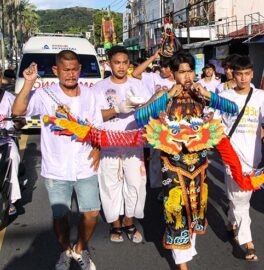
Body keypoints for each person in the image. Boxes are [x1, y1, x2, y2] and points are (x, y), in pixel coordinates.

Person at [134, 51, 238, 270]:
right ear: (173, 73)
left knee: (196, 208)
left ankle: (188, 249)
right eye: (182, 72)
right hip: (172, 164)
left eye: (190, 71)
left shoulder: (201, 94)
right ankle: (183, 263)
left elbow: (233, 109)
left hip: (199, 164)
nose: (187, 76)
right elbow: (140, 118)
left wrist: (210, 97)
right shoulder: (163, 93)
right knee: (176, 211)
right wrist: (167, 96)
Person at [12, 50, 101, 270]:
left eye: (74, 70)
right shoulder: (45, 95)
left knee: (91, 213)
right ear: (56, 71)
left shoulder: (92, 95)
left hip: (85, 165)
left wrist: (98, 148)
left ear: (79, 69)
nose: (70, 75)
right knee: (60, 216)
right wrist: (29, 82)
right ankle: (65, 251)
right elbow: (17, 111)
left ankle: (80, 249)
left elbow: (97, 126)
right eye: (65, 70)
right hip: (56, 169)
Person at [90, 45, 151, 243]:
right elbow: (94, 117)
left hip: (134, 142)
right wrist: (117, 109)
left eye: (125, 62)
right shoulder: (99, 88)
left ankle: (129, 221)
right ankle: (115, 224)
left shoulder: (138, 85)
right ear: (109, 64)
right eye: (117, 62)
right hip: (109, 142)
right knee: (110, 185)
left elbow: (150, 110)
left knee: (136, 183)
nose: (122, 67)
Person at [217, 55, 264, 261]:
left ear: (252, 74)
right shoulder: (225, 97)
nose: (243, 78)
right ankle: (247, 242)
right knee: (241, 201)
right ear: (233, 75)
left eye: (247, 74)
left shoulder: (261, 97)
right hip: (232, 156)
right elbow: (213, 123)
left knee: (241, 197)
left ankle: (231, 223)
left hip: (254, 158)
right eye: (239, 74)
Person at [132, 50, 176, 189]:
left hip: (175, 125)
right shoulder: (154, 78)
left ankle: (173, 185)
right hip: (156, 124)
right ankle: (157, 187)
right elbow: (135, 74)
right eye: (161, 66)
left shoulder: (179, 81)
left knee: (173, 157)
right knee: (156, 157)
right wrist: (152, 57)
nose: (163, 69)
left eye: (166, 67)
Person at [0, 89, 21, 215]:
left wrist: (15, 126)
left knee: (14, 156)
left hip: (5, 140)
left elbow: (18, 117)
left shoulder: (9, 98)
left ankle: (10, 200)